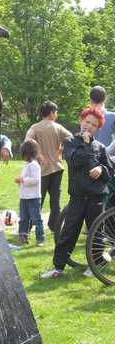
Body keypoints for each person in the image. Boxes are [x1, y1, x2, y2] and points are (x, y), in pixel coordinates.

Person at [41, 107, 113, 279]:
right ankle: (58, 267)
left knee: (96, 234)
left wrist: (100, 169)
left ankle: (95, 264)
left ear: (98, 128)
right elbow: (75, 161)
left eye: (94, 125)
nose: (89, 126)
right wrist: (87, 145)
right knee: (68, 233)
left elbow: (109, 172)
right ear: (81, 121)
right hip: (77, 197)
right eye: (87, 122)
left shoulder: (101, 147)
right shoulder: (69, 141)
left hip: (96, 197)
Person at [25, 101, 72, 232]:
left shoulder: (35, 127)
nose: (56, 114)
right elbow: (71, 137)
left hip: (41, 169)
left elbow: (28, 140)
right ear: (51, 113)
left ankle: (28, 227)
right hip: (57, 167)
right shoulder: (58, 127)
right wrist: (62, 146)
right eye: (56, 112)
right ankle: (54, 226)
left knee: (37, 199)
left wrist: (37, 153)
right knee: (55, 200)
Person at [15, 139, 44, 246]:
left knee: (36, 219)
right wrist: (21, 181)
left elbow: (36, 180)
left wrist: (23, 180)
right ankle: (23, 236)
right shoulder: (27, 164)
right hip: (24, 197)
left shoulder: (34, 165)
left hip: (33, 197)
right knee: (23, 218)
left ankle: (40, 238)